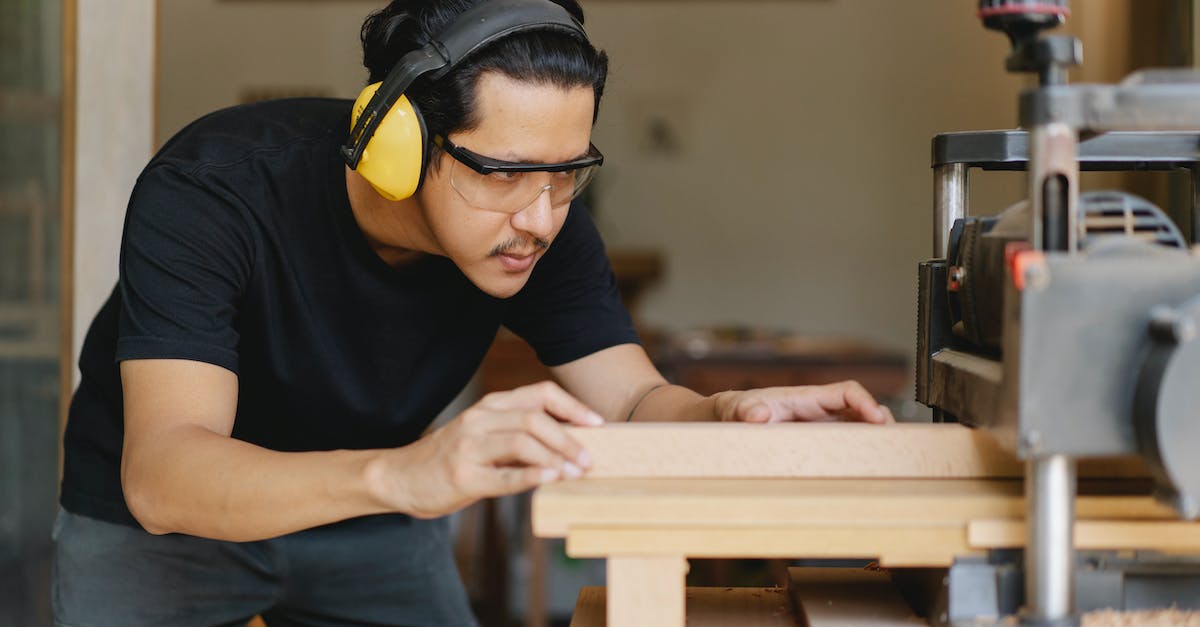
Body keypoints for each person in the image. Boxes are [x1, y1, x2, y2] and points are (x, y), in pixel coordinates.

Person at [53, 0, 895, 624]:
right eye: (504, 172)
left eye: (570, 173)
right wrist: (407, 472)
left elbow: (635, 400)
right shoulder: (214, 189)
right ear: (399, 142)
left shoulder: (544, 226)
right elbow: (164, 474)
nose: (542, 215)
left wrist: (728, 412)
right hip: (167, 529)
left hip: (378, 521)